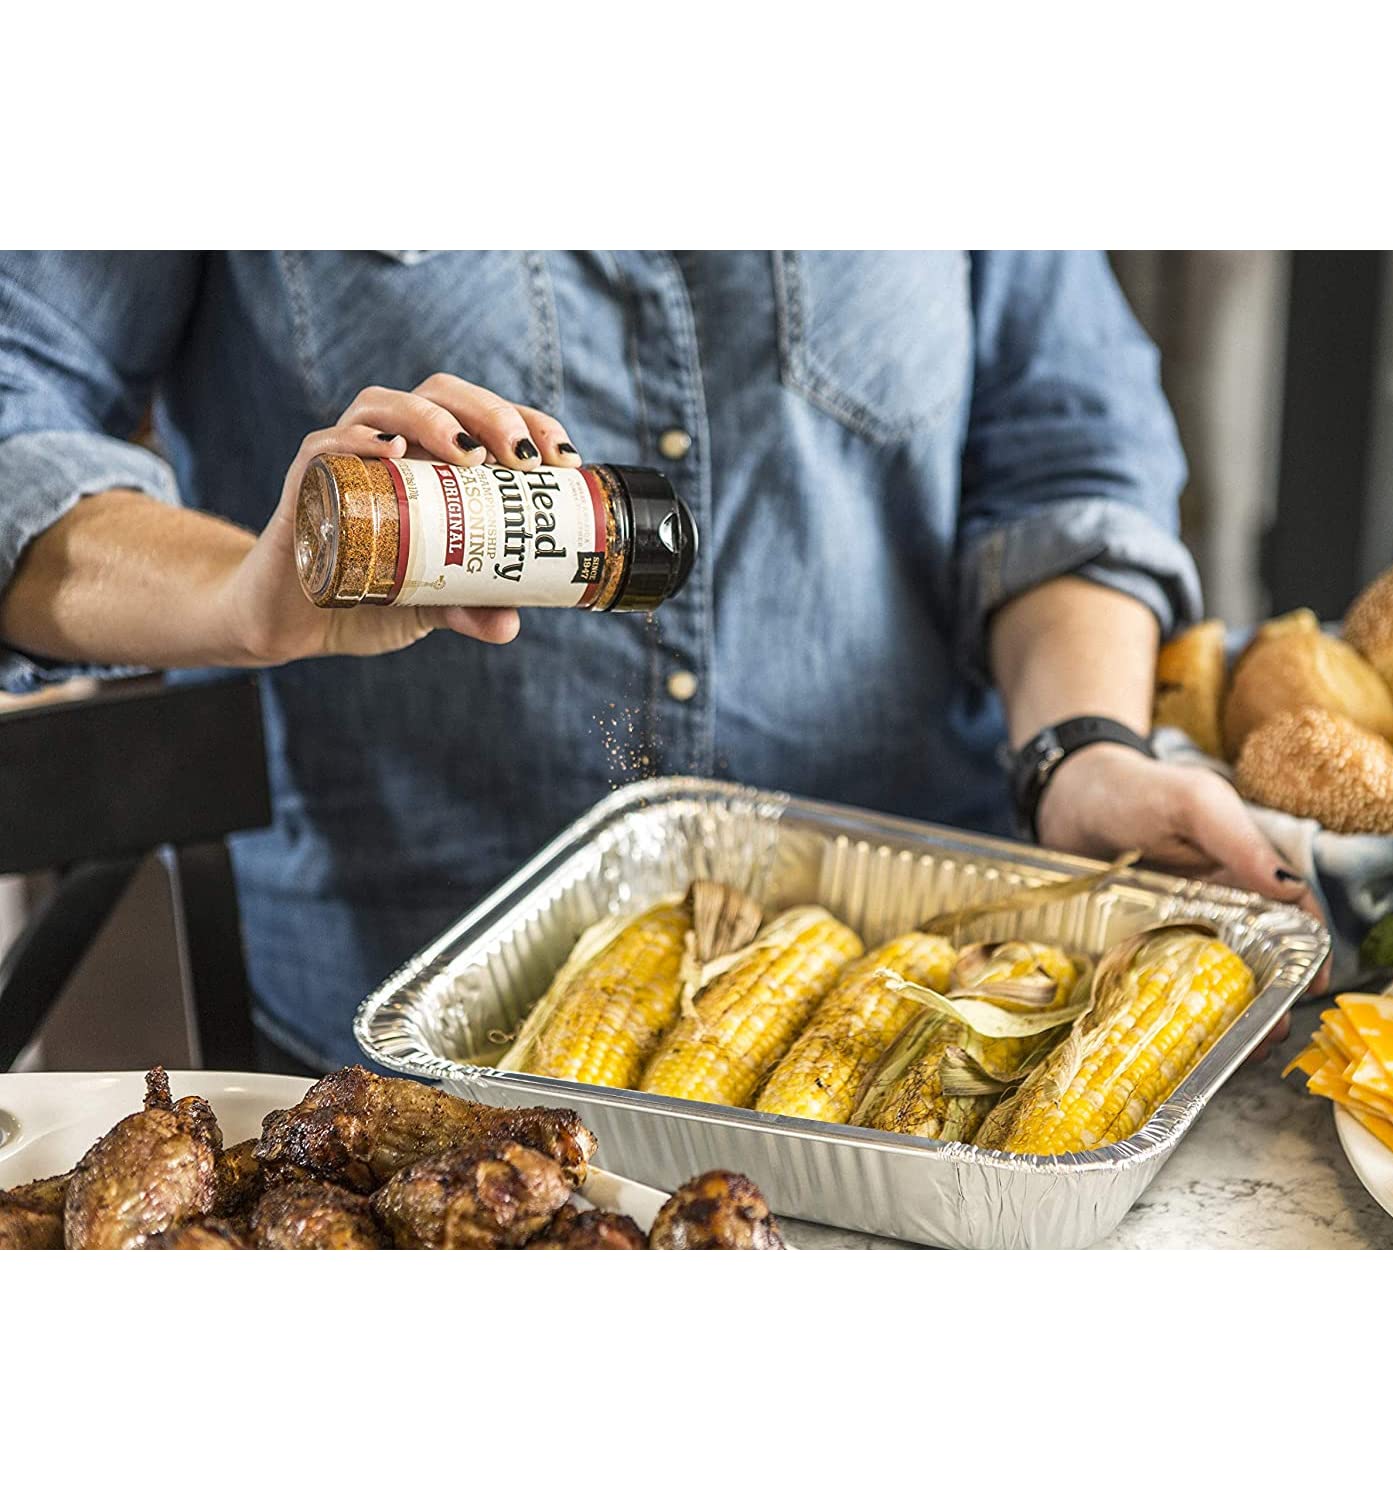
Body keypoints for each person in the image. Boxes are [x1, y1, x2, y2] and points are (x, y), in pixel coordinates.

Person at [0, 252, 1314, 1069]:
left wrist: (1075, 744)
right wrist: (242, 595)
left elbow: (1062, 433)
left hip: (922, 996)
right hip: (424, 1053)